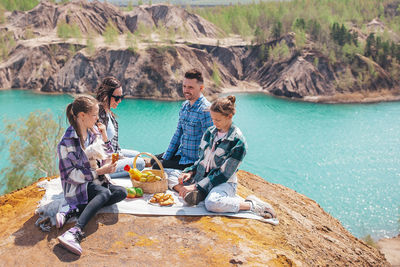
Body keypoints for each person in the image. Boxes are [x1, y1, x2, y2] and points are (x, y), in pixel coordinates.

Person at [174, 95, 276, 219]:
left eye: (218, 120)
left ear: (229, 116)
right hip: (201, 177)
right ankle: (199, 192)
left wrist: (196, 186)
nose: (214, 123)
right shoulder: (209, 132)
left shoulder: (238, 142)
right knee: (169, 175)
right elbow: (201, 159)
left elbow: (223, 175)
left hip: (223, 183)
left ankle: (252, 205)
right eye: (212, 119)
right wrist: (190, 172)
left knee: (212, 203)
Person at [56, 95, 127, 256]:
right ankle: (74, 231)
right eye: (94, 115)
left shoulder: (93, 133)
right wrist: (100, 172)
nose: (97, 119)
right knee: (104, 193)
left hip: (95, 181)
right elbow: (71, 176)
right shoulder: (66, 142)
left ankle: (75, 209)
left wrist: (104, 137)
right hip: (77, 186)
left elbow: (107, 155)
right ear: (82, 116)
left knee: (121, 192)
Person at [151, 69, 213, 172]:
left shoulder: (206, 110)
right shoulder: (184, 106)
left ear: (201, 88)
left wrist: (196, 168)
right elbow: (178, 134)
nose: (186, 90)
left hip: (192, 161)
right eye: (184, 86)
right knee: (154, 160)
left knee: (157, 167)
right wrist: (167, 156)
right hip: (182, 153)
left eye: (190, 87)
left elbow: (209, 143)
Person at [96, 76, 145, 177]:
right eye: (117, 98)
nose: (119, 101)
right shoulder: (97, 116)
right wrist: (120, 159)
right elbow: (99, 150)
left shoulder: (108, 112)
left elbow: (113, 147)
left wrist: (120, 157)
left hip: (111, 152)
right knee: (140, 162)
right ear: (106, 95)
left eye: (121, 97)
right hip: (104, 163)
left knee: (137, 154)